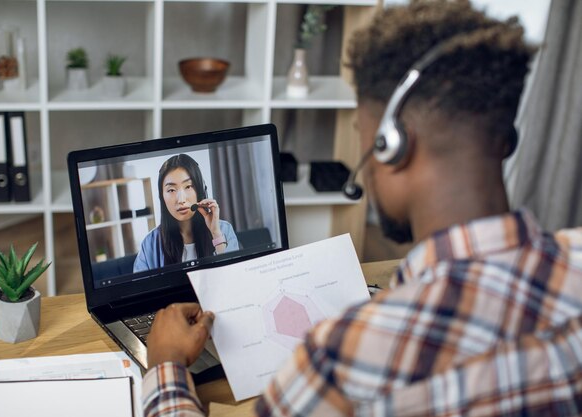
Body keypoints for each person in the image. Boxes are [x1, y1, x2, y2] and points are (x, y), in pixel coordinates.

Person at [142, 1, 582, 415]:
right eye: (170, 190)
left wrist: (166, 368)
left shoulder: (341, 359)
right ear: (507, 138)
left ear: (393, 145)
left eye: (364, 135)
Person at [133, 153, 239, 272]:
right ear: (162, 197)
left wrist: (216, 234)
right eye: (171, 190)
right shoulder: (150, 243)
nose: (181, 199)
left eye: (188, 187)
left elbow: (234, 279)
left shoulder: (224, 230)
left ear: (200, 190)